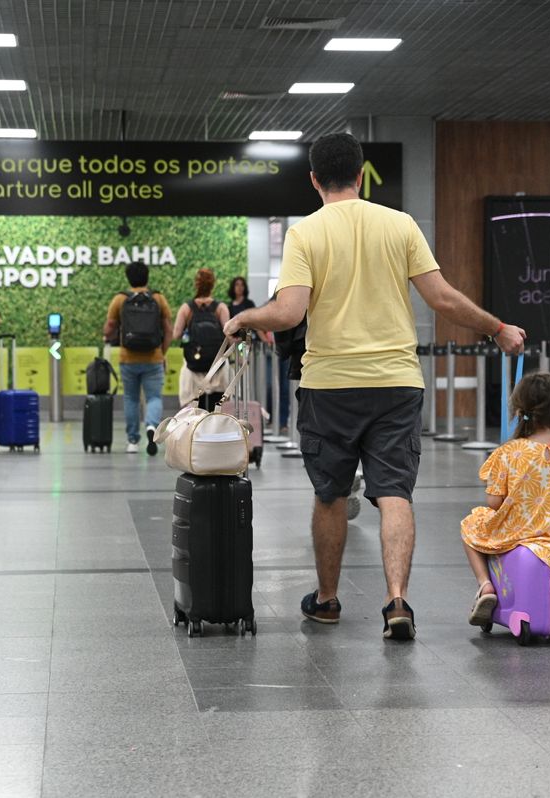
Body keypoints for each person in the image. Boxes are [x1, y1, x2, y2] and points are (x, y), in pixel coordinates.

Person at [224, 132, 526, 641]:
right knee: (394, 494)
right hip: (396, 383)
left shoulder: (305, 233)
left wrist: (244, 318)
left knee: (331, 495)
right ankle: (397, 600)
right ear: (361, 176)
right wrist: (496, 328)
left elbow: (289, 312)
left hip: (329, 386)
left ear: (314, 180)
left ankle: (326, 600)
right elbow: (442, 298)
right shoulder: (400, 224)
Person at [462, 373, 550, 626]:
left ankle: (485, 585)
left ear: (520, 411)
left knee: (471, 524)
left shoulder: (509, 452)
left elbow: (494, 502)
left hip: (517, 534)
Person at [103, 261, 173, 455]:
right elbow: (169, 330)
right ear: (147, 277)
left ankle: (133, 441)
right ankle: (151, 426)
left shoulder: (120, 299)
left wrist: (109, 333)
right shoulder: (158, 298)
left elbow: (109, 328)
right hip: (153, 357)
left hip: (128, 358)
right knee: (154, 397)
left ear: (128, 278)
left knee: (131, 398)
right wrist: (162, 352)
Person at [172, 268, 229, 409]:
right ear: (212, 285)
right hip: (217, 368)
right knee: (216, 409)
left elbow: (176, 334)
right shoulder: (220, 308)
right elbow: (228, 334)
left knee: (195, 411)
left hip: (193, 367)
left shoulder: (187, 308)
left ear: (196, 284)